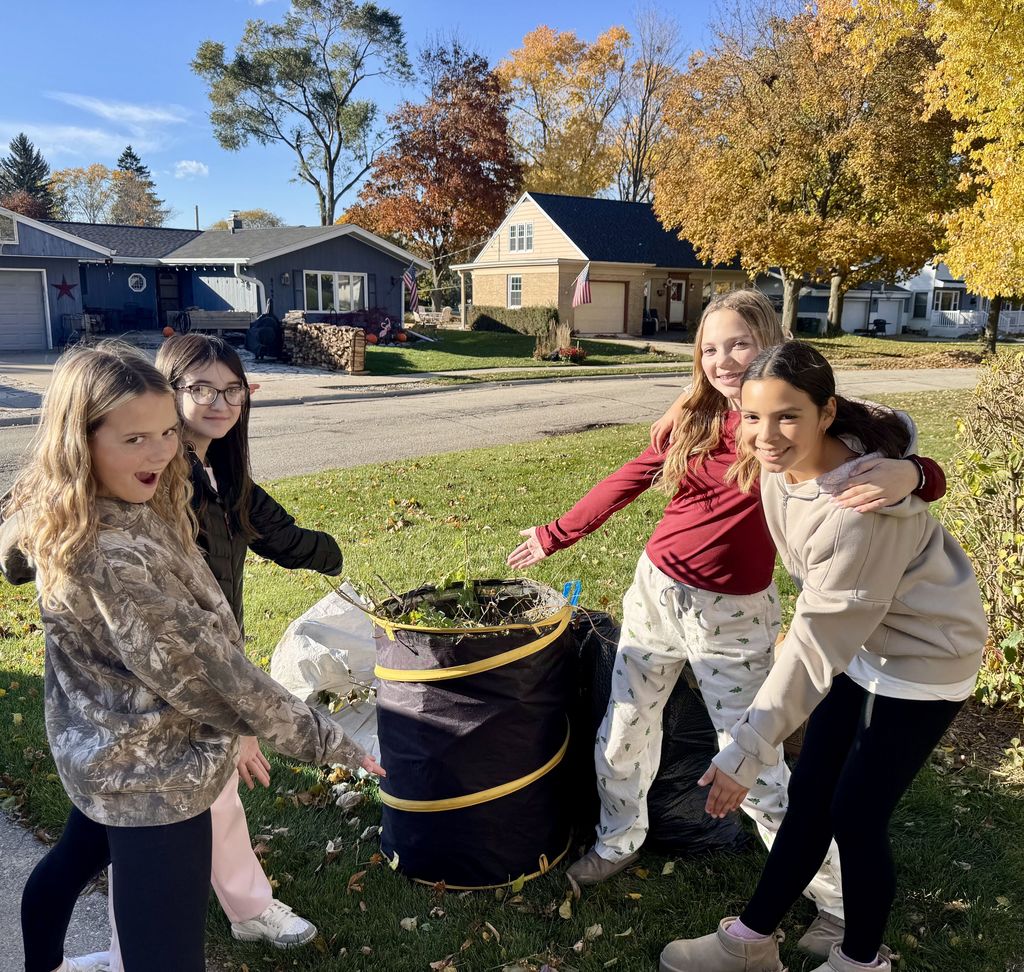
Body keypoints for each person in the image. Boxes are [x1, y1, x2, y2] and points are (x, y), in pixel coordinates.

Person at [506, 289, 944, 959]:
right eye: (709, 348)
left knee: (754, 764)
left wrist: (914, 473)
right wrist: (554, 533)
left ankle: (835, 901)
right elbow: (633, 475)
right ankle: (619, 840)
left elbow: (897, 444)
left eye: (739, 343)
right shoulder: (695, 414)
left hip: (732, 617)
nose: (723, 360)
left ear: (769, 343)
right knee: (622, 732)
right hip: (654, 593)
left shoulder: (792, 422)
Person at [4, 343, 384, 972]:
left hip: (106, 751)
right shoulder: (112, 553)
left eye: (165, 433)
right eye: (134, 439)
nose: (160, 452)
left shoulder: (110, 501)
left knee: (71, 862)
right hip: (155, 772)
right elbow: (207, 672)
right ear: (79, 443)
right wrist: (330, 741)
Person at [659, 341, 985, 972]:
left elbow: (815, 645)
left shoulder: (858, 511)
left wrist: (747, 748)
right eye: (753, 417)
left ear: (826, 413)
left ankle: (860, 962)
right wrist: (919, 470)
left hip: (922, 659)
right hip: (862, 641)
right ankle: (751, 942)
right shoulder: (786, 461)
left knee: (855, 815)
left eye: (788, 417)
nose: (766, 435)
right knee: (811, 792)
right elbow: (827, 624)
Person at [98, 334, 344, 965]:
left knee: (181, 805)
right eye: (201, 388)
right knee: (158, 816)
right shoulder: (158, 476)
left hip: (208, 657)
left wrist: (333, 557)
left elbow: (276, 533)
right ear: (168, 390)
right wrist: (240, 716)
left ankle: (238, 909)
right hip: (165, 668)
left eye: (232, 390)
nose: (219, 402)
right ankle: (232, 915)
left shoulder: (221, 471)